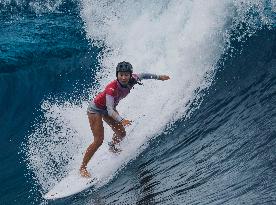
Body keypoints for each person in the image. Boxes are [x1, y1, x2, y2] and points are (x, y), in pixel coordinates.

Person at [80, 61, 170, 178]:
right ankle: (82, 167)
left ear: (130, 75)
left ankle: (112, 146)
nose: (123, 77)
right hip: (95, 110)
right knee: (98, 140)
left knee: (121, 134)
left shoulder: (133, 79)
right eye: (121, 75)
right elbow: (111, 110)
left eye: (126, 75)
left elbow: (144, 75)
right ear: (117, 75)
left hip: (108, 108)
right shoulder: (111, 89)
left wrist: (159, 77)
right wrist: (121, 119)